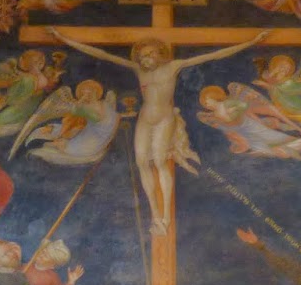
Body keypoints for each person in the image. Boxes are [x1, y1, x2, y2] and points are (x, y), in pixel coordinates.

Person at [51, 28, 270, 233]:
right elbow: (103, 54)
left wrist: (250, 42)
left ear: (160, 55)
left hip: (164, 118)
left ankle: (165, 215)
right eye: (142, 55)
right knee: (141, 162)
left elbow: (212, 55)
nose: (145, 57)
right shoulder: (139, 69)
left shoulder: (173, 67)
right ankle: (155, 215)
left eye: (149, 53)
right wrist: (66, 40)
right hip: (145, 117)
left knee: (159, 161)